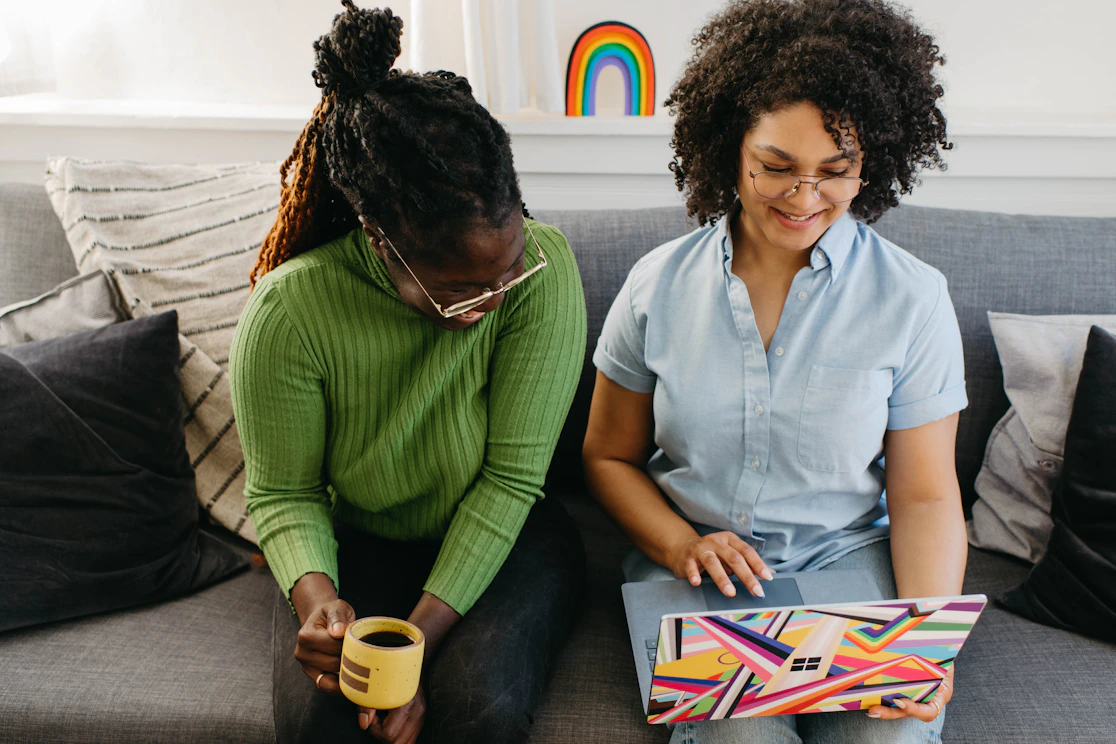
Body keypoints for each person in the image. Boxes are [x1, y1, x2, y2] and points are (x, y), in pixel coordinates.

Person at [582, 1, 966, 742]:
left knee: (887, 734)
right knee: (738, 737)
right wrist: (677, 543)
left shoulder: (913, 298)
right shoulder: (655, 286)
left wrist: (928, 646)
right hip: (697, 570)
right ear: (730, 148)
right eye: (776, 168)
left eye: (835, 172)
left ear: (870, 164)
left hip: (848, 564)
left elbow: (922, 495)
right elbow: (606, 455)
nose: (803, 198)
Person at [228, 4, 587, 743]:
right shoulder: (289, 312)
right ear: (379, 240)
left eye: (507, 272)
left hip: (509, 533)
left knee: (477, 708)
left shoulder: (545, 275)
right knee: (323, 722)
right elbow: (285, 492)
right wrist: (318, 597)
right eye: (458, 289)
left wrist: (414, 641)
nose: (491, 302)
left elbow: (512, 481)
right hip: (360, 540)